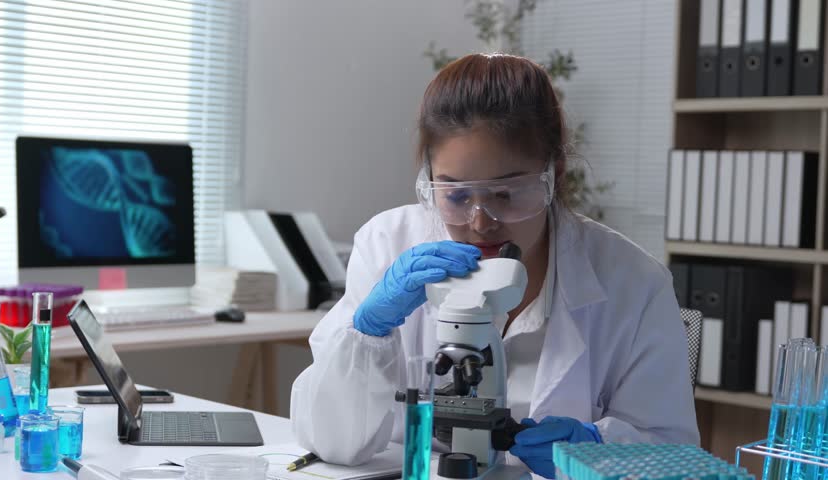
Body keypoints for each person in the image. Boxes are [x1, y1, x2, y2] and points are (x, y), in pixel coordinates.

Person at [291, 53, 699, 478]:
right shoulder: (386, 244)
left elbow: (673, 460)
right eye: (456, 195)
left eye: (506, 194)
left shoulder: (634, 283)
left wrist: (600, 454)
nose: (480, 222)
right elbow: (329, 441)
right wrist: (368, 333)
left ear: (554, 176)